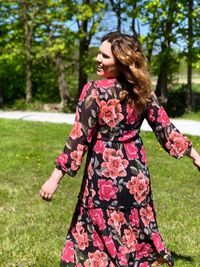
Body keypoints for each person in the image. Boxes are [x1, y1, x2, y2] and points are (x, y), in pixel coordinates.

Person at [40, 32, 200, 267]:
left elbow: (78, 139)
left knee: (100, 229)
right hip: (136, 176)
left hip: (103, 175)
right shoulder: (142, 90)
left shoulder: (93, 91)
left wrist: (55, 179)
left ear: (122, 61)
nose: (97, 59)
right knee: (134, 225)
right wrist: (195, 155)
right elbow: (166, 129)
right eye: (99, 53)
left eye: (104, 56)